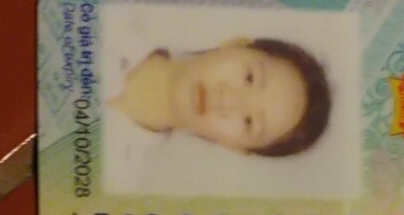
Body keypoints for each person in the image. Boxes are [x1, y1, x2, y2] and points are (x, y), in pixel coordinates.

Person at [108, 37, 331, 157]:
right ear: (236, 44)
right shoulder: (113, 21)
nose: (229, 100)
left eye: (249, 121)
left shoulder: (118, 178)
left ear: (235, 146)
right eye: (249, 78)